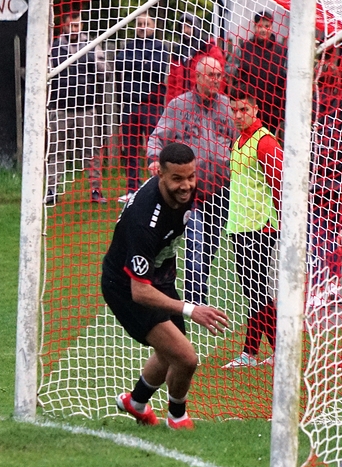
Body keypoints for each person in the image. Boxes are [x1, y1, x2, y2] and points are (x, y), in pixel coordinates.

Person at [103, 142, 230, 429]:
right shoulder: (144, 221)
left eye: (191, 176)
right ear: (160, 174)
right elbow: (139, 291)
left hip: (160, 277)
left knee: (170, 351)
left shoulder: (186, 190)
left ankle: (136, 402)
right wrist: (191, 309)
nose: (186, 186)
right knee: (185, 358)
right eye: (177, 179)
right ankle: (177, 417)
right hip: (126, 288)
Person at [146, 55, 235, 305]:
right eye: (211, 75)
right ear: (197, 77)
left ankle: (197, 291)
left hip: (220, 188)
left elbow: (237, 140)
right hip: (188, 190)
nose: (216, 80)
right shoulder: (179, 106)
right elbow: (157, 137)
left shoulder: (226, 107)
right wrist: (154, 159)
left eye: (219, 75)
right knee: (195, 242)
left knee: (210, 244)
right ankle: (194, 300)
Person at [222, 91, 284, 368]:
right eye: (234, 110)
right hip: (241, 225)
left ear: (256, 110)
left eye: (243, 110)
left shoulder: (265, 142)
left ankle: (263, 350)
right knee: (253, 290)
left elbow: (280, 183)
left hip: (261, 226)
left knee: (256, 289)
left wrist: (280, 219)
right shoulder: (238, 142)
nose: (238, 115)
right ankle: (257, 351)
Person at [45, 12, 106, 205]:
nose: (74, 29)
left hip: (85, 109)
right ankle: (52, 190)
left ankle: (95, 190)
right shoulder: (54, 47)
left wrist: (95, 65)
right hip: (60, 109)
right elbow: (45, 72)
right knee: (56, 152)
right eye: (71, 26)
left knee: (91, 152)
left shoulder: (91, 46)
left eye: (77, 26)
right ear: (64, 26)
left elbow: (105, 71)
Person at [112, 12, 169, 202]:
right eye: (140, 23)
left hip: (151, 105)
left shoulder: (160, 47)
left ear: (153, 26)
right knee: (131, 148)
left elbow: (157, 69)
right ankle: (132, 189)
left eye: (147, 23)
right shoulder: (129, 46)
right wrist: (142, 63)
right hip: (130, 105)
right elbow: (119, 62)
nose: (143, 27)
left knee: (154, 147)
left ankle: (157, 187)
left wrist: (136, 64)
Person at [228, 11, 288, 139]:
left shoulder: (282, 52)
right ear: (254, 26)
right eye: (260, 26)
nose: (263, 30)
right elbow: (230, 72)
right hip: (248, 114)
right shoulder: (244, 49)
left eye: (267, 26)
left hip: (274, 115)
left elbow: (287, 83)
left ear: (272, 27)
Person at [165, 12, 225, 102]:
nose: (185, 31)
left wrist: (214, 102)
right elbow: (172, 86)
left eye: (189, 26)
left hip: (204, 102)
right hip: (180, 104)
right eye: (182, 27)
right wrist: (171, 105)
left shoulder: (208, 48)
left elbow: (220, 78)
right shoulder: (177, 54)